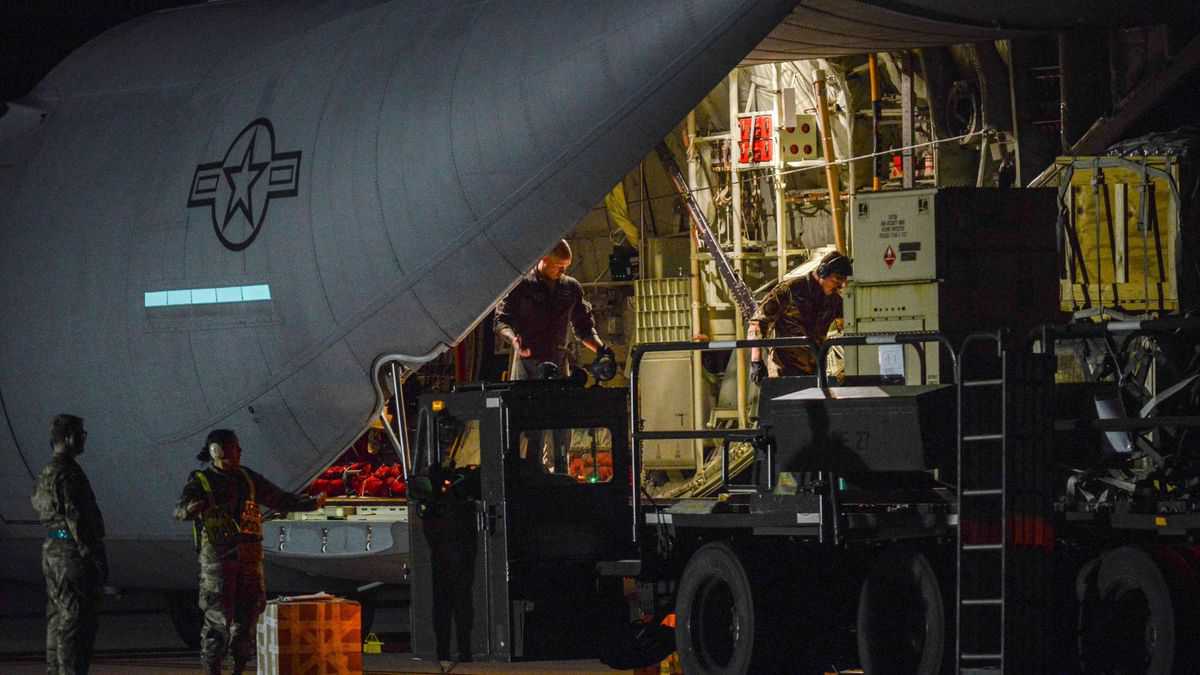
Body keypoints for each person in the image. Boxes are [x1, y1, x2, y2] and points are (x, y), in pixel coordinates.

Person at [174, 429, 326, 675]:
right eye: (230, 450)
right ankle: (213, 669)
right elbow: (180, 511)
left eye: (236, 450)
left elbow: (278, 498)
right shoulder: (201, 481)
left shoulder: (247, 478)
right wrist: (195, 506)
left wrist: (310, 503)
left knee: (248, 619)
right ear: (216, 452)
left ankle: (239, 668)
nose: (236, 455)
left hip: (249, 560)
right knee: (218, 622)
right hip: (218, 562)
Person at [31, 413, 106, 675]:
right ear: (70, 437)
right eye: (81, 434)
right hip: (71, 553)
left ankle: (56, 669)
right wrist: (93, 554)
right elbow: (77, 516)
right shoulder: (68, 472)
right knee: (75, 622)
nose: (84, 440)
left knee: (57, 617)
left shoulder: (47, 472)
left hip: (52, 549)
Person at [494, 239, 613, 380]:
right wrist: (513, 340)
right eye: (559, 266)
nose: (563, 271)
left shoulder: (571, 287)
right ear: (544, 259)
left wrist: (602, 350)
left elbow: (584, 328)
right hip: (528, 363)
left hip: (559, 363)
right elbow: (500, 322)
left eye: (566, 266)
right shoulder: (520, 286)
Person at [748, 250, 853, 382]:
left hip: (816, 370)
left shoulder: (834, 300)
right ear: (822, 272)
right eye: (837, 278)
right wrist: (756, 361)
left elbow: (853, 321)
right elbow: (757, 324)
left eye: (844, 280)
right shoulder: (790, 290)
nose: (841, 285)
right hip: (784, 370)